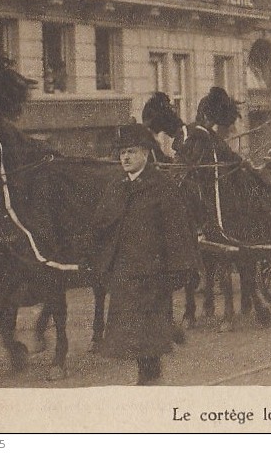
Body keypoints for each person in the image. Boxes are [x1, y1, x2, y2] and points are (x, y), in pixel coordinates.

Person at [83, 123, 197, 385]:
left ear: (145, 153)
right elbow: (101, 225)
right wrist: (92, 257)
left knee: (147, 338)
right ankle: (150, 368)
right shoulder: (116, 186)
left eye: (131, 152)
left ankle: (149, 378)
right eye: (122, 152)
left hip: (152, 276)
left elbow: (177, 231)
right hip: (123, 273)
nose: (125, 157)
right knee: (131, 336)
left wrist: (177, 271)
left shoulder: (161, 186)